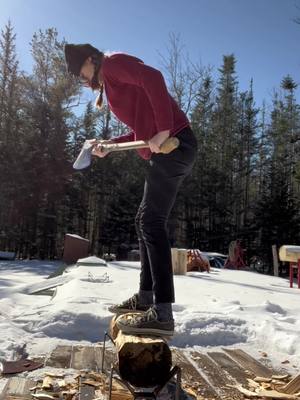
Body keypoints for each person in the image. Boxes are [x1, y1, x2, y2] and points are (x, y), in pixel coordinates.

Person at [64, 43, 197, 336]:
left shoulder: (112, 64)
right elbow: (141, 128)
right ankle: (146, 298)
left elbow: (154, 78)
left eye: (80, 72)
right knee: (144, 220)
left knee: (151, 222)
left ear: (90, 59)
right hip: (165, 149)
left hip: (175, 144)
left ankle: (162, 312)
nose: (81, 79)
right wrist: (111, 144)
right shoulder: (110, 82)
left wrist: (163, 129)